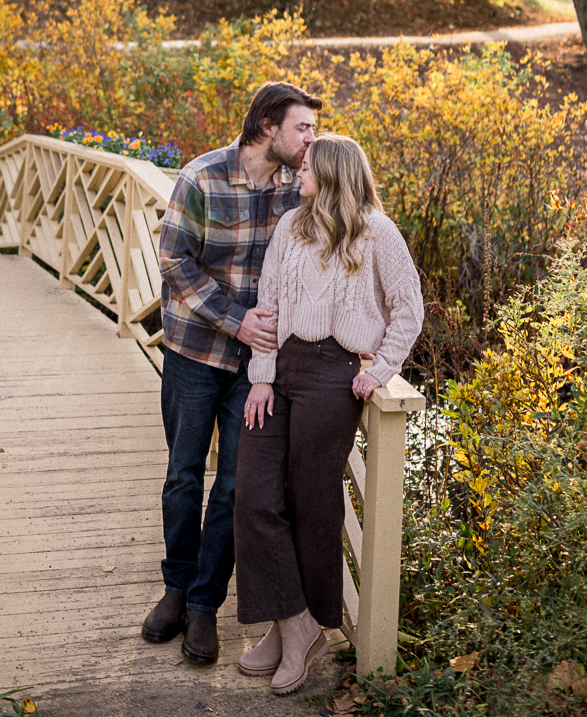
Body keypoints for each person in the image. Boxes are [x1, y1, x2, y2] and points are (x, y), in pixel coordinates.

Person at [233, 132, 424, 695]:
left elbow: (408, 310)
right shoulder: (291, 227)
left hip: (334, 375)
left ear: (335, 173)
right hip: (284, 368)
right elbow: (266, 307)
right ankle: (293, 623)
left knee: (313, 504)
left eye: (307, 168)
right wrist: (262, 376)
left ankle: (303, 629)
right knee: (253, 495)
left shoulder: (377, 232)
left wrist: (380, 369)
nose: (297, 175)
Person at [141, 80, 323, 664]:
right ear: (268, 126)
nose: (310, 140)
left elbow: (334, 248)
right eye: (303, 128)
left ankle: (203, 605)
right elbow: (173, 260)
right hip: (194, 352)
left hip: (258, 368)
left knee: (237, 488)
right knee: (183, 476)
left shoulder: (300, 192)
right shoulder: (202, 177)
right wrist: (234, 320)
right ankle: (174, 588)